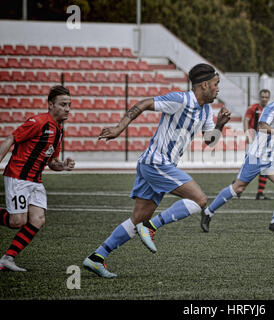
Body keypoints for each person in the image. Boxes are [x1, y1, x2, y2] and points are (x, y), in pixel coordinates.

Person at [83, 63, 231, 278]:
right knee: (199, 200)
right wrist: (118, 128)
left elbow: (209, 141)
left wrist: (220, 125)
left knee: (138, 218)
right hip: (157, 162)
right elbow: (143, 103)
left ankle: (97, 257)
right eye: (216, 84)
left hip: (154, 165)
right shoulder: (180, 100)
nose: (218, 89)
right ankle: (152, 227)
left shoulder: (206, 110)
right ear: (205, 84)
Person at [200, 80, 274, 233]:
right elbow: (262, 126)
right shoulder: (272, 108)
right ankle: (208, 212)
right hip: (256, 155)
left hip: (272, 157)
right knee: (238, 188)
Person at [0, 85, 75, 272]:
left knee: (37, 220)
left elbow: (52, 162)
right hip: (18, 177)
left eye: (69, 105)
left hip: (35, 181)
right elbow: (11, 139)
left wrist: (63, 166)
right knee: (17, 221)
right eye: (63, 104)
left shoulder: (59, 131)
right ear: (50, 105)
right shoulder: (38, 122)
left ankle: (7, 259)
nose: (67, 109)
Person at [244, 89, 271, 200]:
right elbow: (246, 120)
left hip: (265, 142)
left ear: (268, 98)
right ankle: (237, 186)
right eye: (262, 97)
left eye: (266, 97)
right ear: (259, 98)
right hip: (253, 141)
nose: (264, 99)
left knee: (265, 167)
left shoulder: (271, 110)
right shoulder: (253, 108)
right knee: (249, 167)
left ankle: (260, 193)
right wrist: (247, 134)